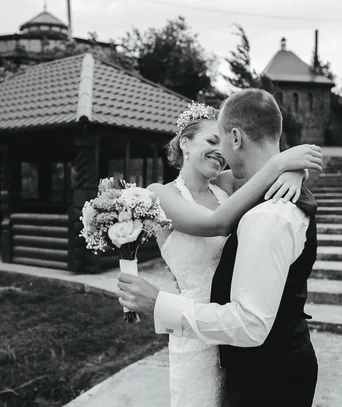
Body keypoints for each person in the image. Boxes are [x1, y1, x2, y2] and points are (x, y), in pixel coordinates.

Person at [118, 98, 321, 407]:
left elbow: (261, 168)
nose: (221, 151)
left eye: (222, 142)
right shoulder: (160, 194)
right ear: (185, 142)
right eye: (211, 140)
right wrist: (280, 165)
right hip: (197, 333)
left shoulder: (226, 185)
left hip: (236, 334)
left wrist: (295, 172)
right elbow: (218, 223)